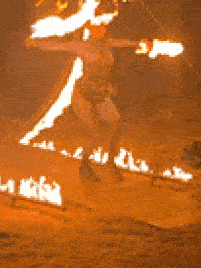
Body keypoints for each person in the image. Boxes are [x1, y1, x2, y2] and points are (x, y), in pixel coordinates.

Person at [25, 22, 136, 181]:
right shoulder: (82, 46)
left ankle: (110, 162)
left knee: (116, 124)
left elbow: (126, 43)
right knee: (95, 131)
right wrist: (35, 43)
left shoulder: (107, 43)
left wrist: (146, 43)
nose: (103, 30)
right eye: (98, 27)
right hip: (83, 93)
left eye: (104, 27)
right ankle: (85, 166)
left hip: (100, 92)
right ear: (91, 29)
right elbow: (58, 46)